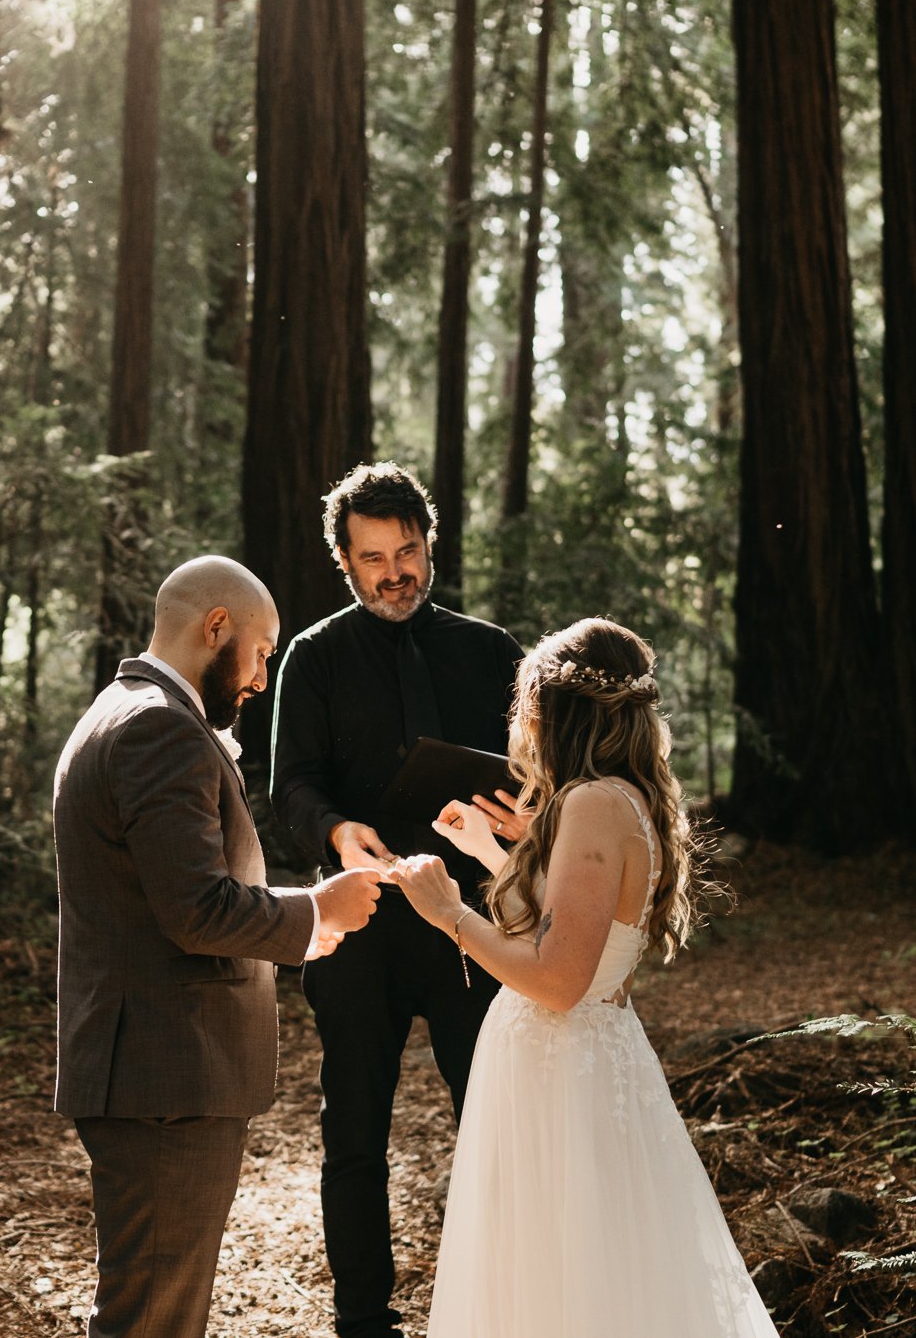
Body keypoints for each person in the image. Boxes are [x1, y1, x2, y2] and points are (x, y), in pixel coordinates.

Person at [390, 618, 782, 1338]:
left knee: (564, 1279)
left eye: (527, 703)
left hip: (561, 1070)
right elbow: (559, 931)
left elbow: (558, 977)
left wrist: (447, 912)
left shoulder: (593, 803)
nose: (522, 721)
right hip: (574, 1060)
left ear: (550, 707)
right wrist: (488, 849)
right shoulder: (616, 798)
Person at [52, 555, 384, 1338]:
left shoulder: (122, 707)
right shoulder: (159, 727)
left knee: (155, 1309)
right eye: (263, 651)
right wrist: (316, 910)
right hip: (166, 1078)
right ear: (216, 629)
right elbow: (195, 907)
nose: (262, 678)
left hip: (154, 1071)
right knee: (152, 1319)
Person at [269, 461, 528, 1338]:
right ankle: (362, 1319)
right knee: (354, 1136)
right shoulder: (312, 656)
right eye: (373, 557)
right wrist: (339, 833)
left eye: (408, 550)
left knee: (495, 1123)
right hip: (362, 923)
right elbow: (292, 786)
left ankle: (503, 1306)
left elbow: (538, 778)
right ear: (344, 560)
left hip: (473, 926)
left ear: (430, 545)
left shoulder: (493, 652)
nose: (395, 572)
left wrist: (518, 813)